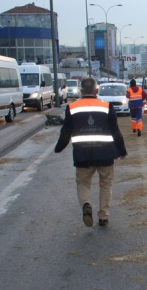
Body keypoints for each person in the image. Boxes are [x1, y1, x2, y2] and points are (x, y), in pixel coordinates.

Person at [54, 77, 127, 227]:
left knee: (83, 183)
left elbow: (66, 132)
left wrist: (59, 148)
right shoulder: (106, 106)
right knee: (106, 184)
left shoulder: (72, 107)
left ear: (81, 91)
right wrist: (122, 151)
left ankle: (86, 204)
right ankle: (104, 216)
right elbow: (115, 131)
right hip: (105, 154)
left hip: (82, 154)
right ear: (96, 91)